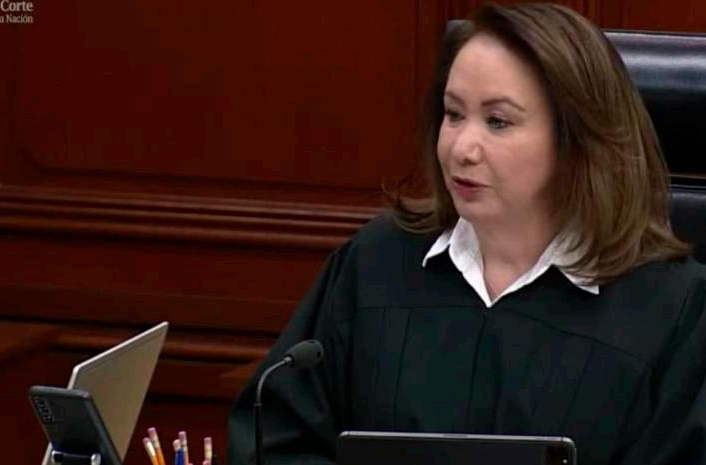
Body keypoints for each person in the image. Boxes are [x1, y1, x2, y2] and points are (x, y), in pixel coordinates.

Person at [227, 3, 706, 465]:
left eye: (497, 121)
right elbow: (275, 441)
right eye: (453, 114)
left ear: (576, 140)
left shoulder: (671, 309)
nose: (460, 147)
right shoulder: (374, 264)